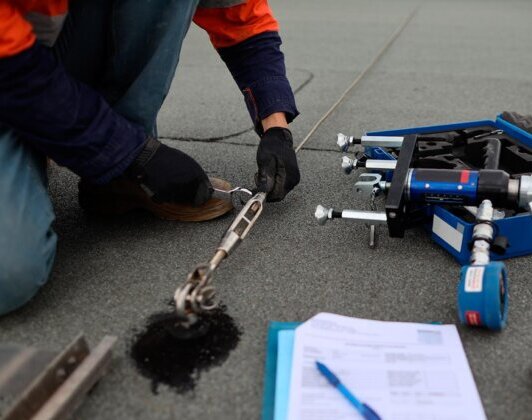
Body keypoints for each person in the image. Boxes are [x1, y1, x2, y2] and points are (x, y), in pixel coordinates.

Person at [0, 0, 301, 315]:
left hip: (44, 55)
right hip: (10, 68)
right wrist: (128, 152)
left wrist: (275, 126)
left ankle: (114, 179)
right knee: (9, 275)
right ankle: (57, 148)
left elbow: (239, 15)